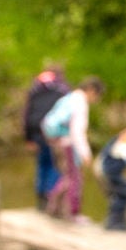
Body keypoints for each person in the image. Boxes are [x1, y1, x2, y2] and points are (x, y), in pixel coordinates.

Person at [39, 75, 103, 219]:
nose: (96, 100)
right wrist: (85, 153)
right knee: (74, 179)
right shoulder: (80, 103)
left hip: (57, 142)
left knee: (67, 176)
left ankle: (55, 209)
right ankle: (72, 213)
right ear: (91, 90)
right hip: (68, 144)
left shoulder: (68, 98)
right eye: (97, 96)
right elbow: (77, 131)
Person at [22, 63, 70, 204]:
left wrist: (28, 138)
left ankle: (40, 197)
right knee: (54, 165)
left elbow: (26, 115)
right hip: (53, 133)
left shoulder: (35, 89)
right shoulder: (63, 90)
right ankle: (51, 197)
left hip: (35, 131)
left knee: (42, 164)